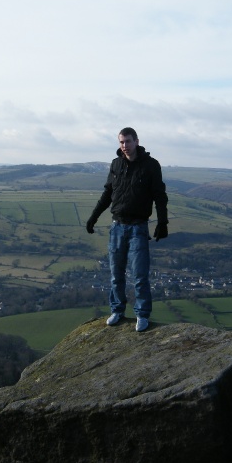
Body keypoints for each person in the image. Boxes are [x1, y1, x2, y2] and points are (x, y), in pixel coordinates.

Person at [86, 127, 169, 332]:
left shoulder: (150, 165)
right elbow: (108, 194)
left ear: (137, 141)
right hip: (117, 227)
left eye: (128, 141)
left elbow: (159, 195)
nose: (125, 146)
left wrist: (162, 222)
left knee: (140, 275)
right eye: (121, 142)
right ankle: (117, 310)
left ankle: (142, 314)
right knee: (116, 274)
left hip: (138, 227)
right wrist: (94, 217)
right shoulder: (116, 164)